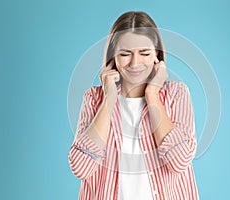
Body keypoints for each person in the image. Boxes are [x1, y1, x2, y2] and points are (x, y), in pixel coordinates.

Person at [68, 11, 199, 200]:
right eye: (125, 54)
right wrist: (110, 98)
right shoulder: (93, 99)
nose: (135, 63)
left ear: (157, 56)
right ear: (113, 58)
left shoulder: (176, 94)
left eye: (144, 53)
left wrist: (152, 93)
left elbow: (180, 161)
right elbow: (80, 168)